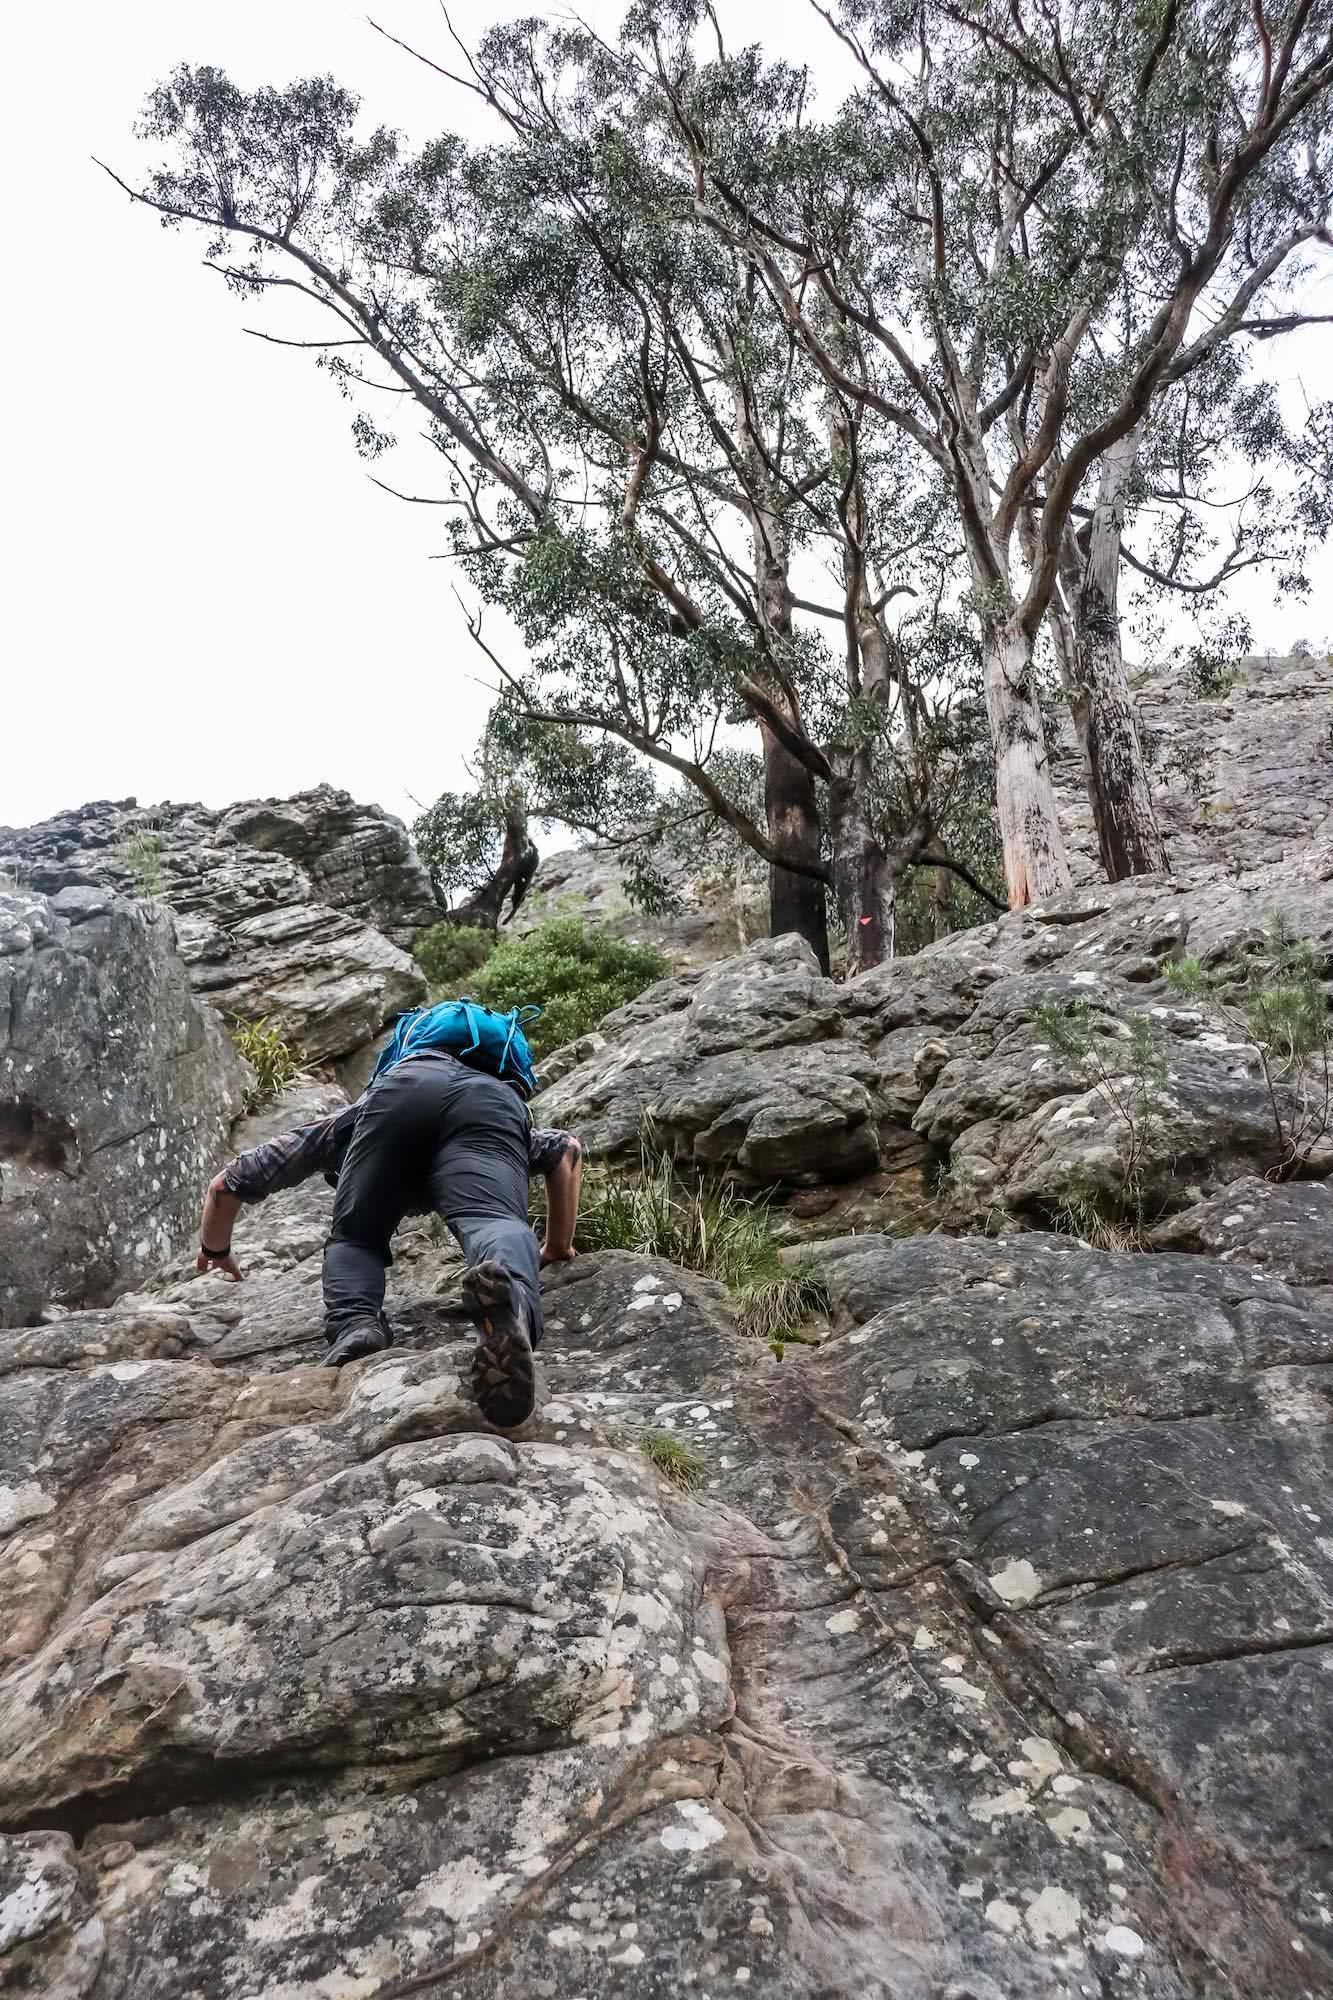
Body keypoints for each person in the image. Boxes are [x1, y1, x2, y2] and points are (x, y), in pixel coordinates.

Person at [194, 1042, 582, 1430]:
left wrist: (215, 1249)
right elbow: (567, 1149)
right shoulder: (496, 1100)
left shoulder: (358, 1114)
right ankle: (511, 1306)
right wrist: (557, 1244)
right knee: (493, 1220)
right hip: (492, 1103)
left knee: (356, 1235)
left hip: (398, 1097)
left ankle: (357, 1326)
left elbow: (226, 1184)